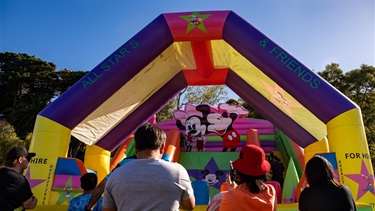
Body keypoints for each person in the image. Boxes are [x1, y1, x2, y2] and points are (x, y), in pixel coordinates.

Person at [102, 124, 195, 211]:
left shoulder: (115, 175)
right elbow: (189, 206)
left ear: (136, 149)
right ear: (162, 147)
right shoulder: (177, 171)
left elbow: (107, 209)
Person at [216, 144, 277, 211]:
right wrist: (234, 191)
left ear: (239, 171)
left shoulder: (229, 197)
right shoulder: (271, 191)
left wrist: (232, 192)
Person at [0, 146, 38, 211]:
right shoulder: (19, 180)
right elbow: (29, 203)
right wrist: (35, 199)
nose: (29, 161)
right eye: (28, 158)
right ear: (20, 160)